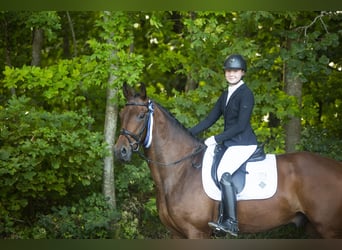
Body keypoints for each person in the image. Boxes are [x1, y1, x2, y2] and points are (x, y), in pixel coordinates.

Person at [189, 54, 258, 237]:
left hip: (243, 144)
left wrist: (216, 139)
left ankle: (231, 222)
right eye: (228, 71)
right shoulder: (226, 94)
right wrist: (187, 134)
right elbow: (209, 119)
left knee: (223, 173)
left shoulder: (246, 94)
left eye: (235, 71)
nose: (231, 74)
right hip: (230, 143)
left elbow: (240, 126)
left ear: (242, 72)